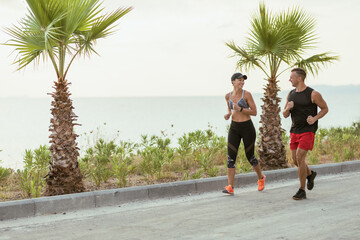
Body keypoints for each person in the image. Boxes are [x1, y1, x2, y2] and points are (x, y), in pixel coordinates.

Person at [283, 67, 328, 200]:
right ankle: (310, 174)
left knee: (300, 157)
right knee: (295, 161)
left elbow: (325, 108)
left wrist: (314, 118)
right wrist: (288, 108)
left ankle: (301, 190)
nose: (289, 79)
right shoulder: (290, 94)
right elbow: (285, 114)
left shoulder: (313, 94)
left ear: (299, 78)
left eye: (291, 77)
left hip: (308, 131)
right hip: (294, 131)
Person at [222, 73, 265, 195]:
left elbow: (255, 112)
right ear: (233, 82)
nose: (242, 82)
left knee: (250, 156)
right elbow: (230, 109)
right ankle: (230, 187)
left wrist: (240, 109)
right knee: (230, 158)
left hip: (247, 128)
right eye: (239, 80)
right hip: (234, 128)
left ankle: (261, 178)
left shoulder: (247, 95)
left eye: (243, 80)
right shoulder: (227, 96)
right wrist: (228, 114)